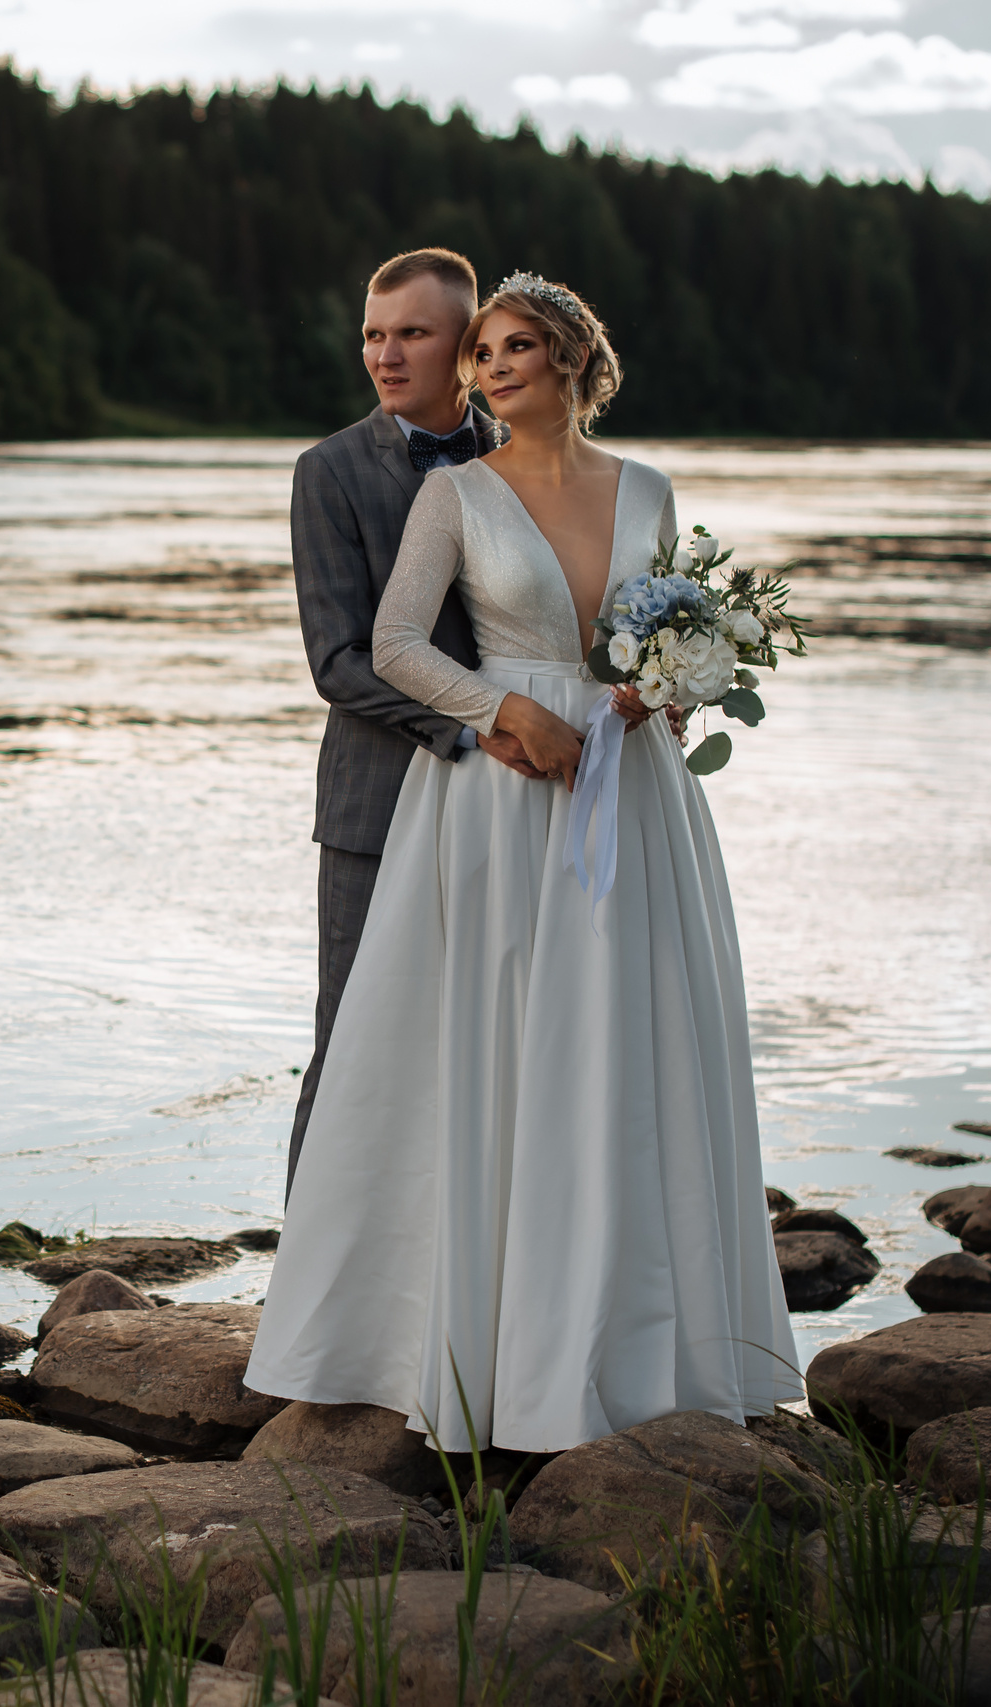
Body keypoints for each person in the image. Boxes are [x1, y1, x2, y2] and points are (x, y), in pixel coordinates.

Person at [246, 270, 800, 1454]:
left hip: (629, 787)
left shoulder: (647, 488)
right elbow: (372, 647)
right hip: (485, 794)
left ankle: (636, 1337)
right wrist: (493, 715)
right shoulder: (428, 488)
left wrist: (669, 690)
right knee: (403, 1057)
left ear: (561, 359)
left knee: (628, 1044)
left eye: (505, 349)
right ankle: (378, 1339)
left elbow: (662, 628)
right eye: (476, 351)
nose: (485, 366)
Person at [284, 248, 546, 1195]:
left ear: (468, 347)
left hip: (511, 804)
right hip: (377, 806)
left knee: (488, 1037)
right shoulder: (329, 472)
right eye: (373, 335)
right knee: (350, 1040)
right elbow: (338, 661)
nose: (386, 356)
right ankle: (306, 1299)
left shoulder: (526, 456)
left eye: (413, 334)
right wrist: (472, 729)